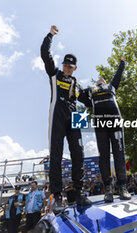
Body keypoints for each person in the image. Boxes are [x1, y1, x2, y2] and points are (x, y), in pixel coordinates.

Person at [41, 25, 91, 212]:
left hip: (77, 116)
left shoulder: (77, 83)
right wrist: (50, 35)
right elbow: (45, 54)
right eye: (65, 65)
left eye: (70, 67)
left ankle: (78, 192)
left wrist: (100, 93)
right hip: (57, 115)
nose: (67, 68)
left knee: (79, 154)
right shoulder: (55, 74)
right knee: (56, 156)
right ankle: (58, 197)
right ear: (62, 65)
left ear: (75, 68)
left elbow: (87, 101)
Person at [79, 57, 131, 203]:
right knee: (104, 156)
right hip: (100, 126)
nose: (100, 79)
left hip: (115, 124)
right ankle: (107, 189)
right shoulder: (91, 91)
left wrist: (122, 63)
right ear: (95, 84)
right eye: (98, 80)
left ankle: (122, 187)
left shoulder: (112, 87)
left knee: (119, 154)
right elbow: (77, 94)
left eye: (103, 79)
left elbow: (118, 75)